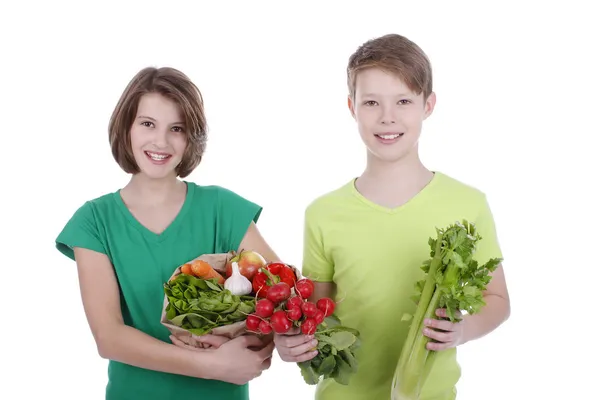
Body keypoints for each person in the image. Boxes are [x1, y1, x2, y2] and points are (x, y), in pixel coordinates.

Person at [273, 34, 511, 400]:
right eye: (371, 102)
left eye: (403, 101)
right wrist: (291, 344)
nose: (387, 117)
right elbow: (316, 317)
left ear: (427, 105)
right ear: (351, 107)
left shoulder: (468, 205)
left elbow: (498, 300)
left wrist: (462, 329)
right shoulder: (323, 214)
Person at [55, 67, 280, 400]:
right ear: (126, 127)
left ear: (191, 138)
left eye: (177, 128)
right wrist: (213, 365)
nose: (160, 141)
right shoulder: (94, 221)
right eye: (147, 124)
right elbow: (110, 337)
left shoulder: (223, 209)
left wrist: (253, 344)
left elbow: (281, 296)